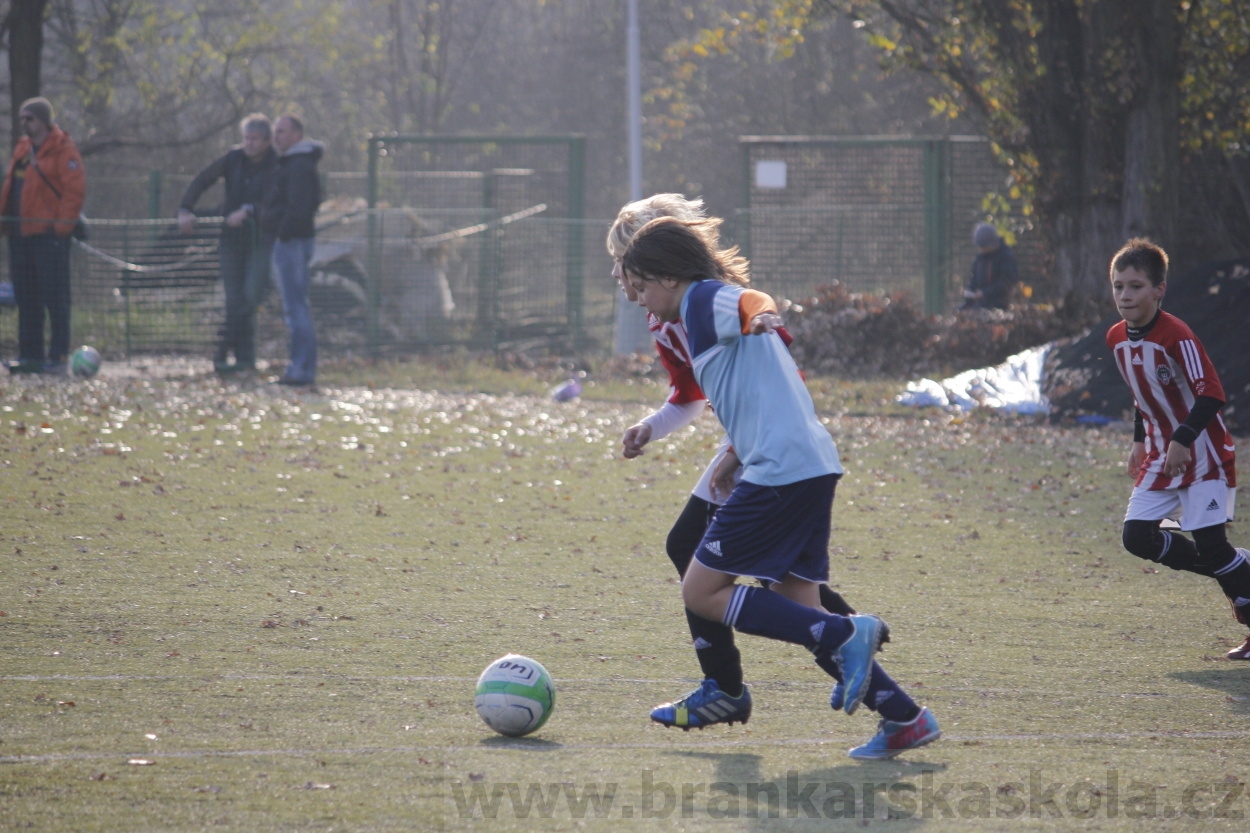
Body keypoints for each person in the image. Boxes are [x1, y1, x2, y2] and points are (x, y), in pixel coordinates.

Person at [621, 217, 940, 759]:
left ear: (670, 277)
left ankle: (843, 634)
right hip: (808, 465)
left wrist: (762, 313)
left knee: (701, 591)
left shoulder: (703, 299)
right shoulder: (697, 311)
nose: (643, 303)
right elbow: (758, 389)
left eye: (644, 288)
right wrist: (734, 453)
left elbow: (749, 301)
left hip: (780, 473)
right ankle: (904, 718)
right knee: (798, 605)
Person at [606, 195, 858, 732]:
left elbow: (775, 368)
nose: (618, 275)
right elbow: (689, 396)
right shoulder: (662, 318)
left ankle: (803, 653)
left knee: (733, 566)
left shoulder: (710, 300)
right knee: (702, 552)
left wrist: (737, 450)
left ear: (661, 264)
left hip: (769, 445)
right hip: (748, 442)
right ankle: (838, 639)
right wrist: (652, 427)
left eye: (625, 261)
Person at [1106, 238, 1250, 661]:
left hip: (1204, 455)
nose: (1125, 295)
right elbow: (1142, 393)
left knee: (1212, 548)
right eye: (1118, 286)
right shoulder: (1116, 338)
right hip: (1159, 456)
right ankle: (1239, 569)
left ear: (1158, 290)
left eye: (1135, 286)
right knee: (1137, 537)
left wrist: (1183, 439)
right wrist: (1138, 440)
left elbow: (1212, 394)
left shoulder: (1178, 335)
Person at [178, 113, 279, 375]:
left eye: (255, 139)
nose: (250, 144)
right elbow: (203, 179)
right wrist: (185, 208)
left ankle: (226, 351)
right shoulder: (233, 159)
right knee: (233, 299)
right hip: (230, 240)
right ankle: (238, 359)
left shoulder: (276, 165)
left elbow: (275, 201)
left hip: (260, 241)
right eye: (246, 138)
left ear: (267, 141)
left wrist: (248, 211)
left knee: (249, 297)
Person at [0, 97, 86, 375]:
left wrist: (60, 229)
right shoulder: (23, 148)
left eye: (30, 118)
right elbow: (11, 185)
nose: (25, 123)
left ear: (44, 121)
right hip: (20, 236)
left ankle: (58, 355)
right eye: (23, 118)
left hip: (48, 237)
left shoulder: (64, 150)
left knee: (55, 296)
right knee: (27, 297)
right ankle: (30, 356)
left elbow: (74, 192)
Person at [262, 114, 323, 387]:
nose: (277, 137)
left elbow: (299, 207)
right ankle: (302, 368)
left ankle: (300, 370)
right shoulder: (297, 163)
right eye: (275, 132)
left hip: (291, 243)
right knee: (299, 307)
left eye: (282, 132)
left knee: (295, 308)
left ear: (297, 134)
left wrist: (282, 232)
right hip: (295, 240)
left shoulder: (298, 165)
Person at [960, 222, 1017, 310]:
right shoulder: (981, 258)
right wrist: (969, 296)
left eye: (983, 246)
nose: (980, 249)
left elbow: (1006, 283)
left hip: (997, 304)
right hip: (980, 302)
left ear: (991, 243)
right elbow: (974, 280)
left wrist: (985, 293)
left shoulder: (1006, 257)